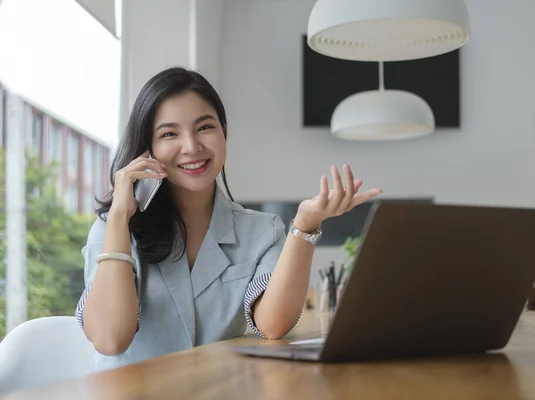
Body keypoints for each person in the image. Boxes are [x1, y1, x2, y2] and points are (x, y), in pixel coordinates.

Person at [75, 67, 382, 372]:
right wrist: (118, 214)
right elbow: (110, 339)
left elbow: (272, 324)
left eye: (204, 127)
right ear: (147, 149)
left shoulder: (263, 230)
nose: (192, 147)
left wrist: (305, 224)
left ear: (223, 131)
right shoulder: (113, 228)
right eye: (169, 134)